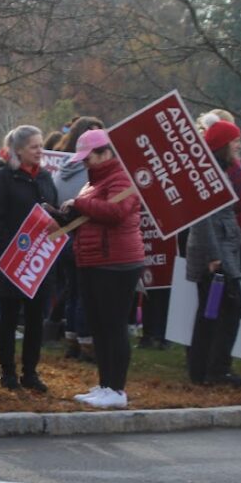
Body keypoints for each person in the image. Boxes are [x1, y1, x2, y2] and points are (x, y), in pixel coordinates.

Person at [60, 130, 144, 408]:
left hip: (117, 263)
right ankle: (106, 383)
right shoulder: (94, 182)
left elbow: (116, 212)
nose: (86, 163)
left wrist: (80, 203)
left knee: (113, 326)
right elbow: (92, 213)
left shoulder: (122, 177)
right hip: (94, 261)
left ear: (106, 153)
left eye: (90, 157)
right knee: (99, 326)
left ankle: (117, 389)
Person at [0, 125, 59, 392]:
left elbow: (54, 212)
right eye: (34, 147)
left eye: (41, 146)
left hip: (39, 262)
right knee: (8, 318)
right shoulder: (3, 178)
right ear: (18, 150)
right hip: (12, 261)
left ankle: (31, 372)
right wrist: (12, 249)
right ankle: (8, 373)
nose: (40, 151)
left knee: (35, 319)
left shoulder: (45, 178)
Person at [187, 120, 241, 389]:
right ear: (224, 144)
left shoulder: (217, 170)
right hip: (216, 255)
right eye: (235, 141)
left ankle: (202, 369)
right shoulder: (211, 175)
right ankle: (218, 369)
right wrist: (215, 257)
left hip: (216, 251)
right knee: (233, 307)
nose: (240, 145)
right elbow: (205, 219)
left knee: (211, 311)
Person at [53, 117, 105, 362]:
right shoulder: (88, 174)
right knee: (86, 293)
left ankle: (72, 340)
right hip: (84, 238)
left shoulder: (61, 170)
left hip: (63, 239)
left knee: (72, 292)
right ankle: (86, 344)